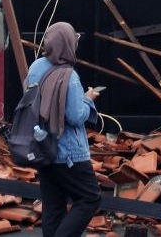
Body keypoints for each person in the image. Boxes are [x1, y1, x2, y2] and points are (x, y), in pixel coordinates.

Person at [25, 22, 102, 237]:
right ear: (68, 44)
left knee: (53, 206)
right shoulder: (70, 75)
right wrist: (88, 100)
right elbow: (75, 116)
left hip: (42, 146)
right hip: (68, 152)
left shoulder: (36, 67)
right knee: (90, 198)